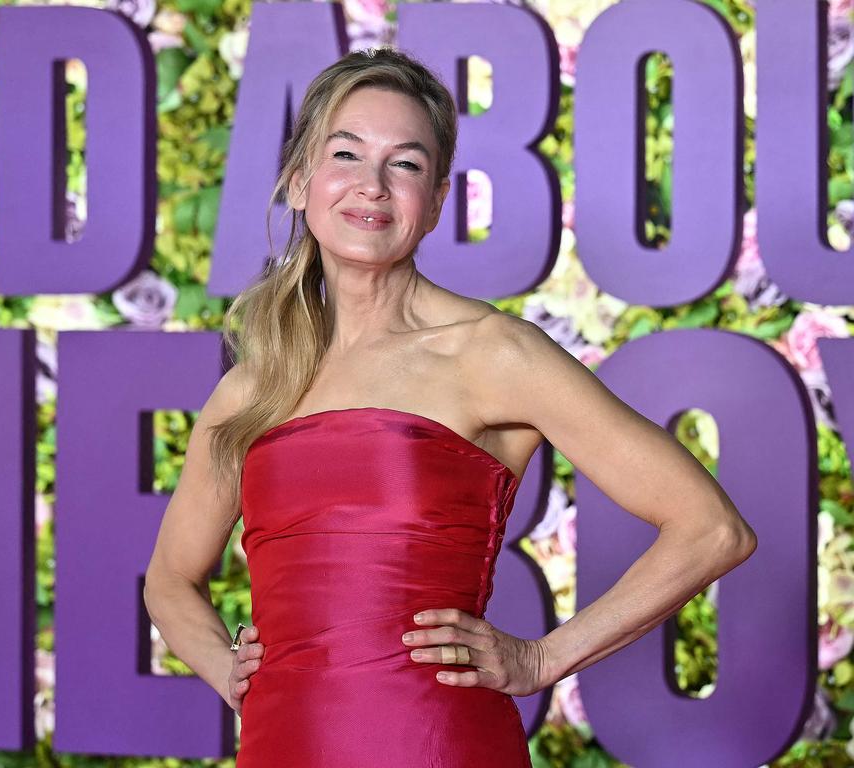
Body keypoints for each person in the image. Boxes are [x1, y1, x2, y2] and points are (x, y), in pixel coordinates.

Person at [143, 47, 757, 767]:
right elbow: (169, 580)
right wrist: (227, 670)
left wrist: (540, 659)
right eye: (346, 154)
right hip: (284, 745)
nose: (371, 186)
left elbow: (713, 530)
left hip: (439, 744)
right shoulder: (254, 386)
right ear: (300, 181)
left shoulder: (493, 353)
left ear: (434, 203)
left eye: (404, 164)